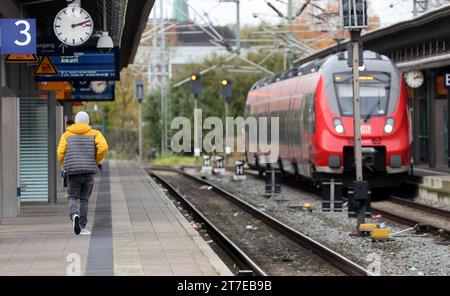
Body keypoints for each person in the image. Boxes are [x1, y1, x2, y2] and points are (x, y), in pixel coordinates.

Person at [57, 111, 108, 235]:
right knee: (84, 199)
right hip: (88, 172)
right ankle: (83, 227)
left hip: (73, 172)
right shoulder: (95, 133)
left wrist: (66, 164)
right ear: (88, 121)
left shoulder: (66, 134)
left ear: (75, 121)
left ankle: (74, 215)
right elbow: (104, 148)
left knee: (72, 197)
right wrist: (94, 160)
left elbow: (60, 152)